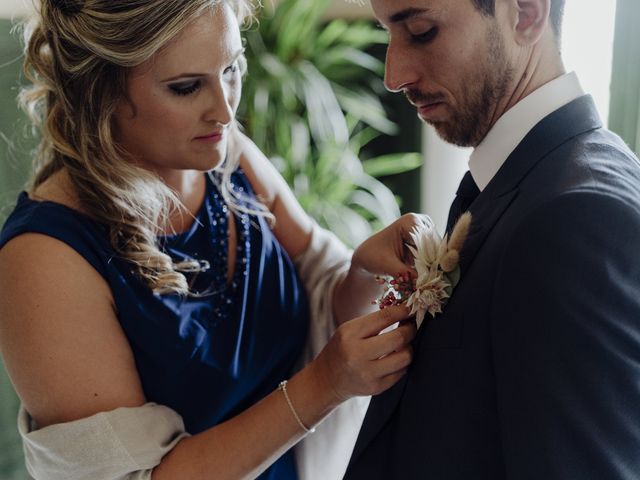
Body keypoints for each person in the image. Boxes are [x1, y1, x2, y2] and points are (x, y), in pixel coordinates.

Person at [0, 1, 421, 479]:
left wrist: (364, 272)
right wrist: (323, 384)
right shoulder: (44, 258)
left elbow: (325, 294)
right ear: (100, 91)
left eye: (231, 68)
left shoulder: (228, 157)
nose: (224, 110)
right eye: (186, 87)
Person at [345, 0, 640, 479]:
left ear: (525, 13)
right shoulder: (526, 181)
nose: (393, 75)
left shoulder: (574, 219)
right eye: (387, 34)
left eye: (420, 32)